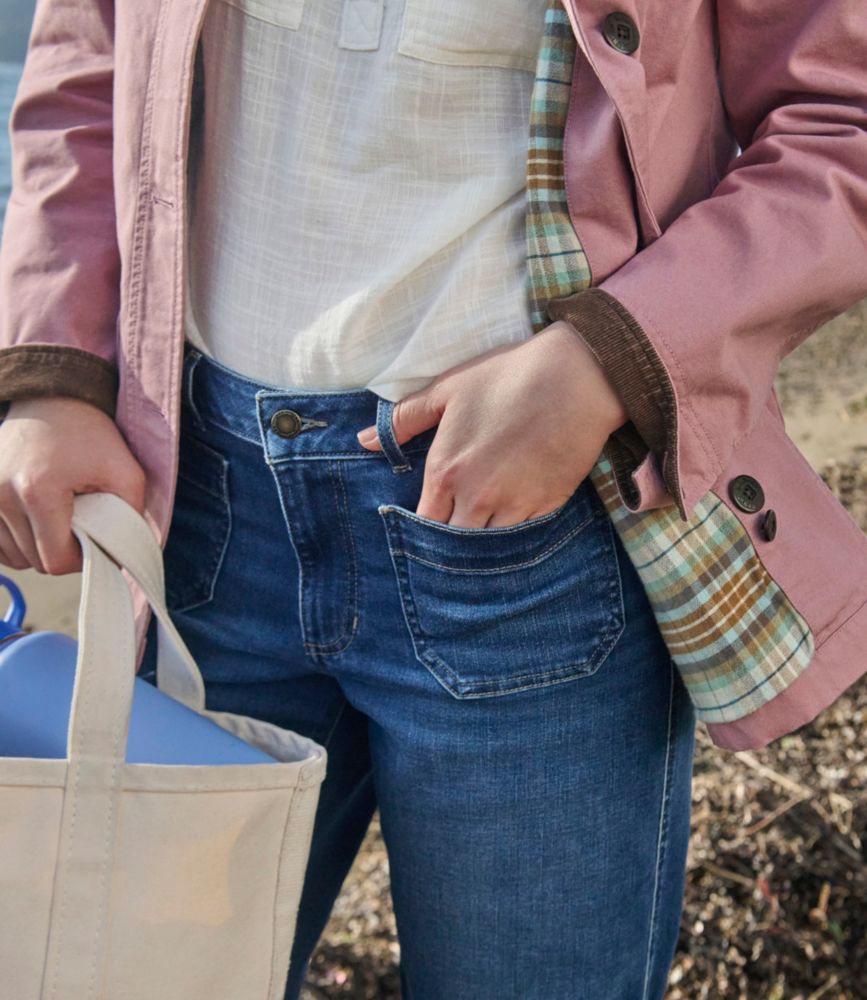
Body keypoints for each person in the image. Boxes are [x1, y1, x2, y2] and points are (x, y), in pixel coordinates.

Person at [0, 1, 865, 997]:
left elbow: (841, 121)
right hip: (203, 514)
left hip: (531, 547)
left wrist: (605, 362)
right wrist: (54, 363)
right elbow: (92, 39)